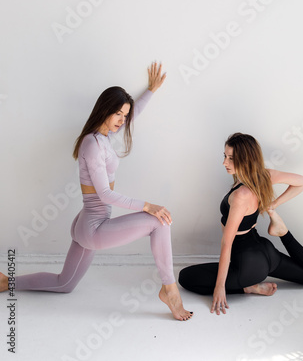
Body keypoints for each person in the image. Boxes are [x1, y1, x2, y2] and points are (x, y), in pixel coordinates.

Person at [0, 62, 193, 321]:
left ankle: (6, 283)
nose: (122, 121)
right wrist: (147, 205)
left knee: (64, 284)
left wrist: (150, 91)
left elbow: (132, 117)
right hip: (93, 227)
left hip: (85, 223)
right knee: (160, 221)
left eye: (124, 115)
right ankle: (170, 291)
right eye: (117, 114)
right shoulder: (92, 144)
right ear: (104, 110)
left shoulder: (103, 137)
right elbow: (104, 195)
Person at [178, 132, 303, 315]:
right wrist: (273, 205)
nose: (225, 162)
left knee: (185, 277)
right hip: (267, 252)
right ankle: (282, 232)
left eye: (231, 158)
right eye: (225, 156)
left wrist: (220, 287)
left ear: (246, 159)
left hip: (248, 266)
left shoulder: (240, 196)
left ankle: (249, 288)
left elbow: (227, 243)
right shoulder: (264, 175)